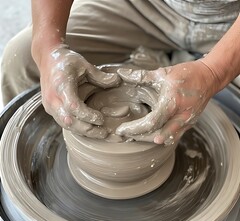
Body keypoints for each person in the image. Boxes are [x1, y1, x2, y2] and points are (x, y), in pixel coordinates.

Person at [1, 0, 240, 144]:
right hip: (146, 6)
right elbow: (45, 48)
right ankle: (46, 153)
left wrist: (212, 71)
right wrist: (48, 47)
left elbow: (215, 69)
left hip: (231, 24)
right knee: (22, 61)